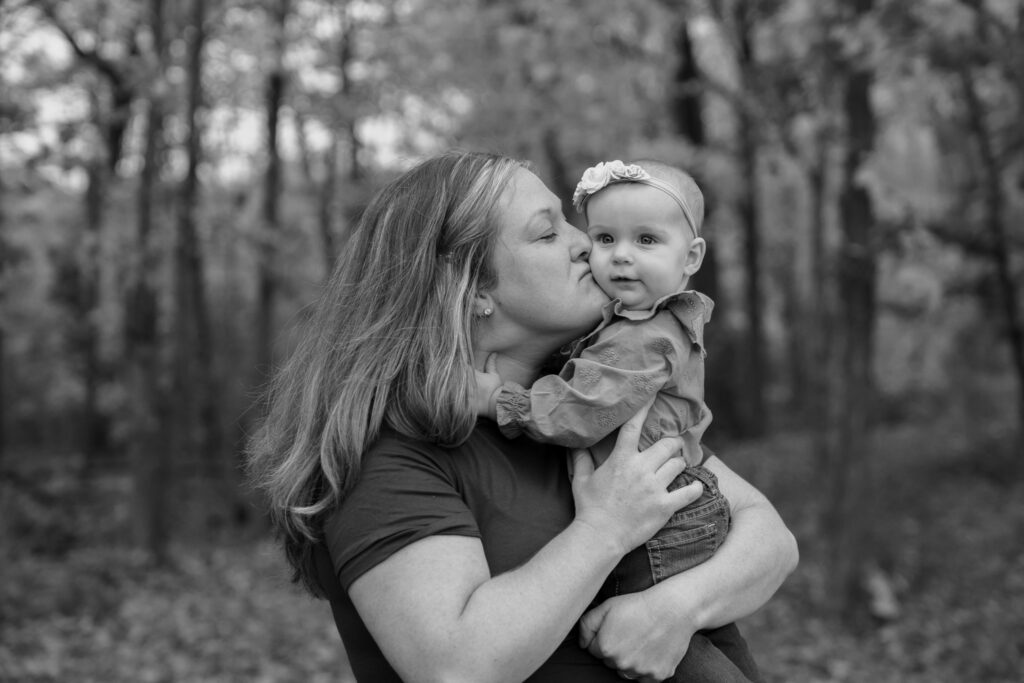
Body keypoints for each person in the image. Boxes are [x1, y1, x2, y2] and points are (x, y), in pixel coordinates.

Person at [246, 150, 798, 682]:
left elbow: (770, 539)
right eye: (547, 232)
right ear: (471, 285)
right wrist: (604, 530)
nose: (587, 243)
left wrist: (675, 608)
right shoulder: (392, 453)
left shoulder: (584, 400)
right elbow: (454, 667)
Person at [475, 159, 753, 681]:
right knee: (714, 649)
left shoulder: (645, 338)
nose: (619, 256)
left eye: (646, 240)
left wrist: (499, 401)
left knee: (669, 648)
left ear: (691, 257)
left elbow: (581, 413)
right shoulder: (626, 325)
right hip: (666, 510)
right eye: (605, 237)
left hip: (660, 531)